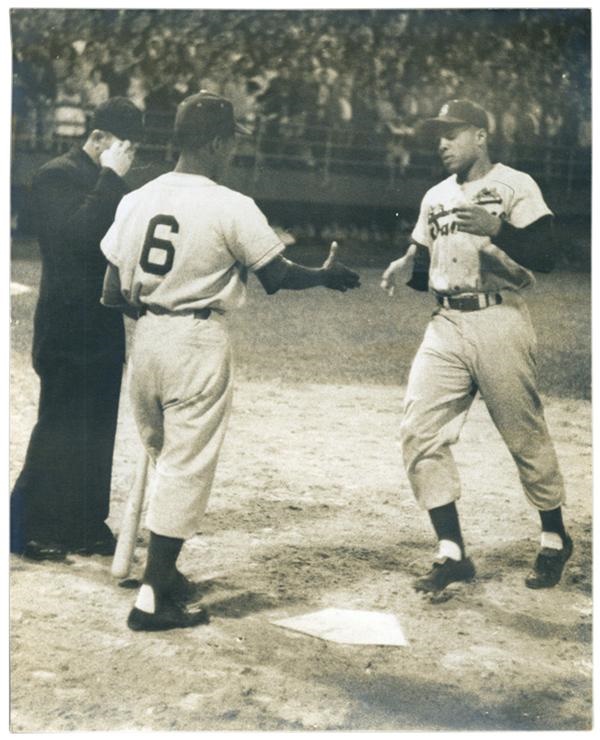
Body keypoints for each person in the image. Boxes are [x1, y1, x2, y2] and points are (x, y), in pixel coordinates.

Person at [100, 91, 360, 631]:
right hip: (197, 341)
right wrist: (326, 275)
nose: (233, 150)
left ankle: (164, 576)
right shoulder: (230, 203)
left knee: (162, 456)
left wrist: (155, 314)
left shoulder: (136, 198)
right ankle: (152, 596)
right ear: (217, 142)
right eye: (231, 140)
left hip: (145, 338)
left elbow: (110, 292)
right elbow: (277, 276)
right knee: (185, 466)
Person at [381, 99, 571, 594]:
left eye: (453, 133)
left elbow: (549, 255)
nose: (442, 143)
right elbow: (424, 262)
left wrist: (499, 229)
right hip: (445, 322)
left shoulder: (515, 185)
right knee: (419, 431)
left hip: (499, 318)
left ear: (481, 135)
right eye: (438, 135)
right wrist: (407, 267)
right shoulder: (435, 196)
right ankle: (452, 550)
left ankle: (554, 537)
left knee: (523, 434)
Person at [10, 97, 144, 561]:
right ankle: (20, 526)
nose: (132, 158)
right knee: (61, 425)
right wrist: (110, 176)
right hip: (66, 325)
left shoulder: (111, 184)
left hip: (101, 322)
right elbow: (72, 240)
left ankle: (84, 523)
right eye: (127, 147)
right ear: (101, 138)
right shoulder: (55, 174)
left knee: (97, 427)